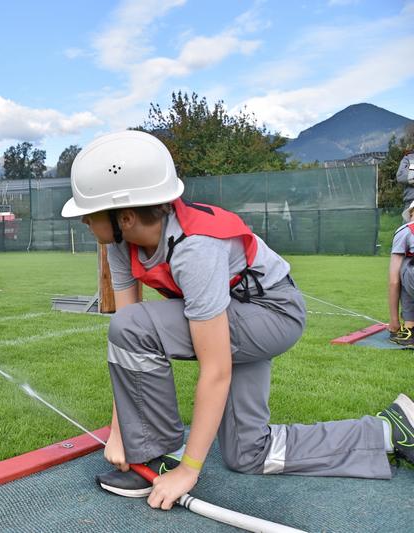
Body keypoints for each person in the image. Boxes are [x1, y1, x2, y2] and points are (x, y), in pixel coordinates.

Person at [61, 130, 413, 510]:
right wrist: (120, 429)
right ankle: (390, 431)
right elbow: (128, 355)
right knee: (248, 453)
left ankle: (158, 455)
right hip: (239, 313)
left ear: (125, 217)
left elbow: (214, 368)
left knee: (135, 327)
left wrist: (188, 469)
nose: (83, 220)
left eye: (89, 212)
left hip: (273, 314)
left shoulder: (195, 249)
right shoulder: (119, 243)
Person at [388, 199, 414, 345]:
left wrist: (394, 322)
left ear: (411, 214)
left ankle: (410, 327)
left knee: (405, 264)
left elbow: (394, 281)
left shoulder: (407, 230)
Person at [396, 148, 414, 215]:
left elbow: (409, 177)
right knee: (408, 225)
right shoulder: (410, 157)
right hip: (411, 205)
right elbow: (401, 176)